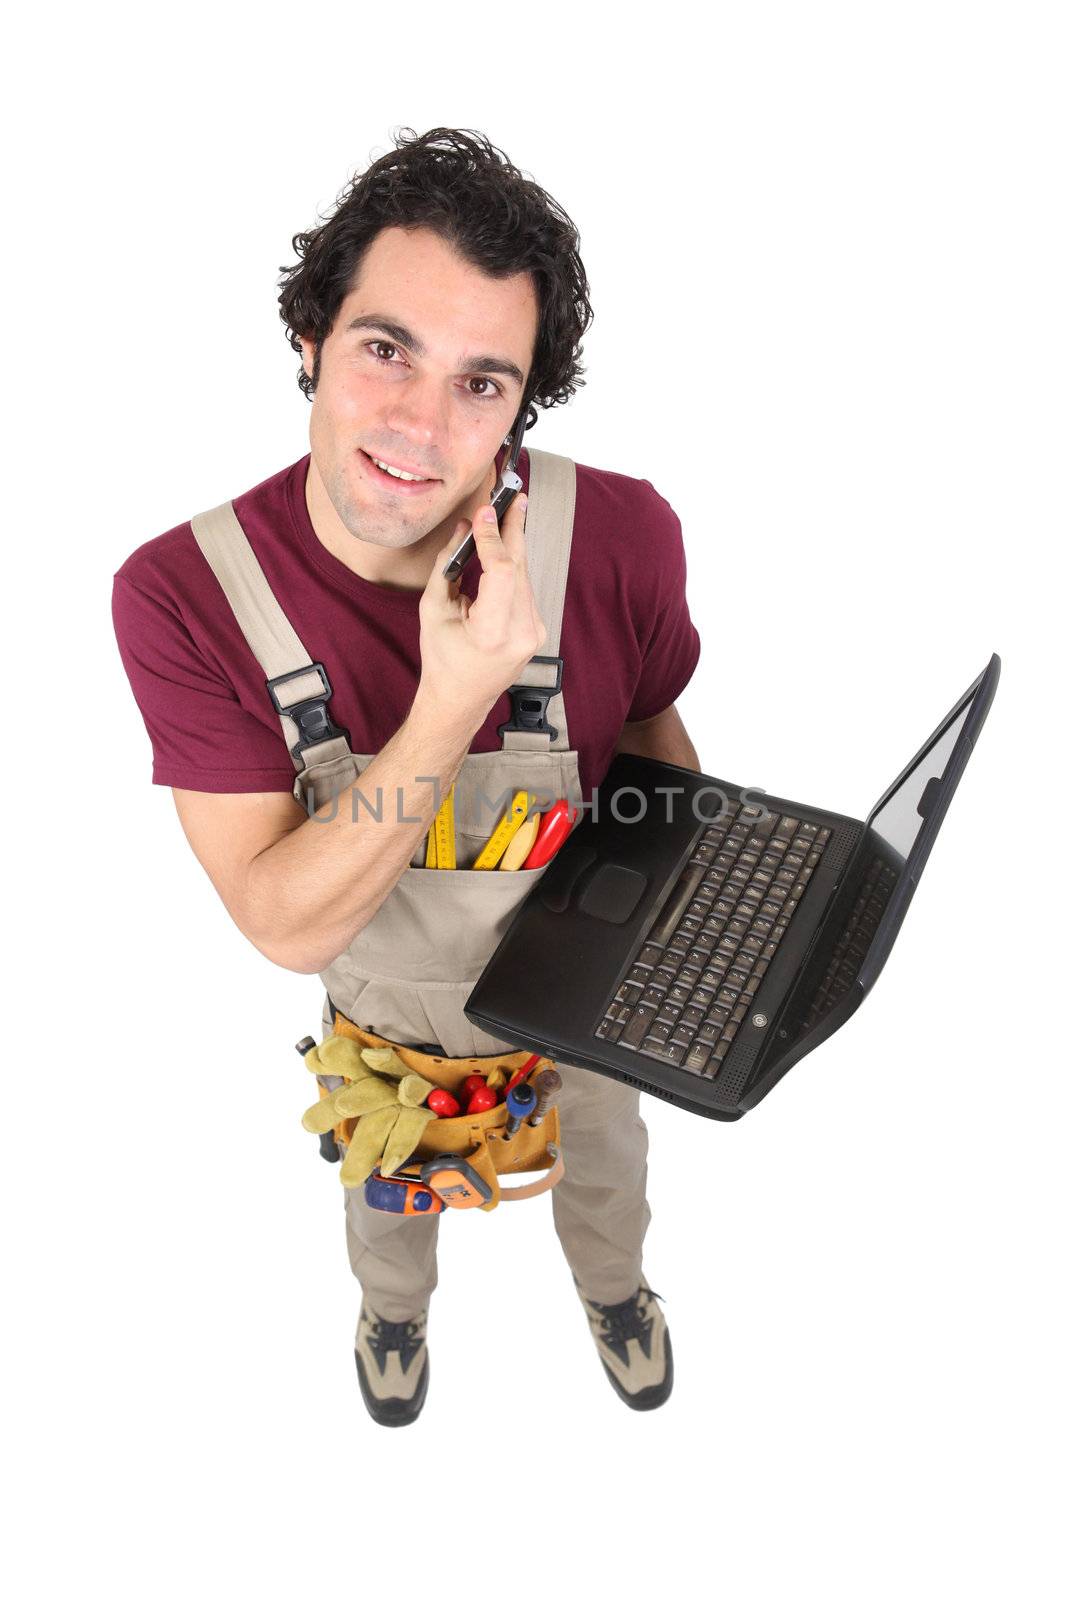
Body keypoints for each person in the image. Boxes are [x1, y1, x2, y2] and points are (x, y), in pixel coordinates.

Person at [112, 127, 704, 1426]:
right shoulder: (185, 597)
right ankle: (394, 1318)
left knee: (611, 1177)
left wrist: (701, 917)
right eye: (388, 350)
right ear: (310, 339)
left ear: (523, 404)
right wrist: (452, 701)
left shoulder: (620, 538)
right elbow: (283, 920)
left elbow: (656, 732)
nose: (424, 427)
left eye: (483, 383)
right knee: (384, 1207)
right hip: (387, 1044)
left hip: (586, 1017)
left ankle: (615, 1291)